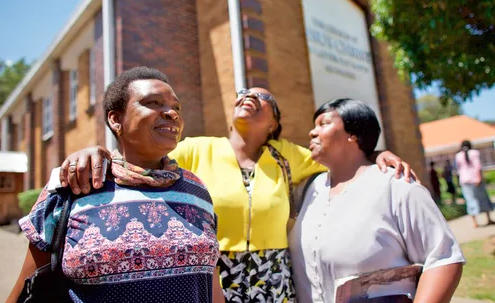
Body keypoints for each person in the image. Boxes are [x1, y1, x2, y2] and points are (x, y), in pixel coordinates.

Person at [57, 88, 417, 302]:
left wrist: (378, 155)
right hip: (214, 271)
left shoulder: (287, 155)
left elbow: (342, 155)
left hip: (274, 274)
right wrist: (96, 152)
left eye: (262, 96)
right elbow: (138, 156)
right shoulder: (198, 148)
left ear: (273, 122)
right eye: (244, 92)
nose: (249, 96)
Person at [8, 67, 224, 303]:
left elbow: (209, 281)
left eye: (176, 107)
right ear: (115, 119)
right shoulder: (75, 185)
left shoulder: (197, 190)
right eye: (153, 102)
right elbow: (27, 287)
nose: (171, 113)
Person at [289, 98, 465, 303]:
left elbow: (443, 259)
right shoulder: (310, 188)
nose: (312, 132)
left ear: (353, 134)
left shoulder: (397, 186)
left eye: (323, 123)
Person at [455, 140, 495, 228]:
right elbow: (478, 166)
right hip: (476, 179)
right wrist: (479, 178)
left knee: (470, 200)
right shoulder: (475, 153)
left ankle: (475, 222)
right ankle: (488, 218)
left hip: (465, 181)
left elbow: (458, 170)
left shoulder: (458, 156)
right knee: (483, 198)